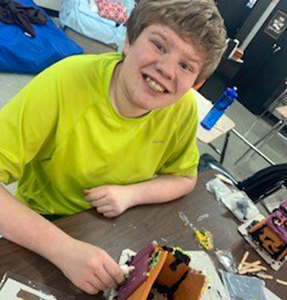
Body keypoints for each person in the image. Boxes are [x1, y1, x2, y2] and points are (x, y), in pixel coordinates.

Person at [0, 0, 227, 295]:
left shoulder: (182, 110)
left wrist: (130, 194)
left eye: (185, 66)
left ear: (195, 84)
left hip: (117, 227)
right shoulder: (64, 82)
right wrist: (63, 249)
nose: (167, 70)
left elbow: (185, 177)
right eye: (160, 46)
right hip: (46, 223)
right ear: (128, 40)